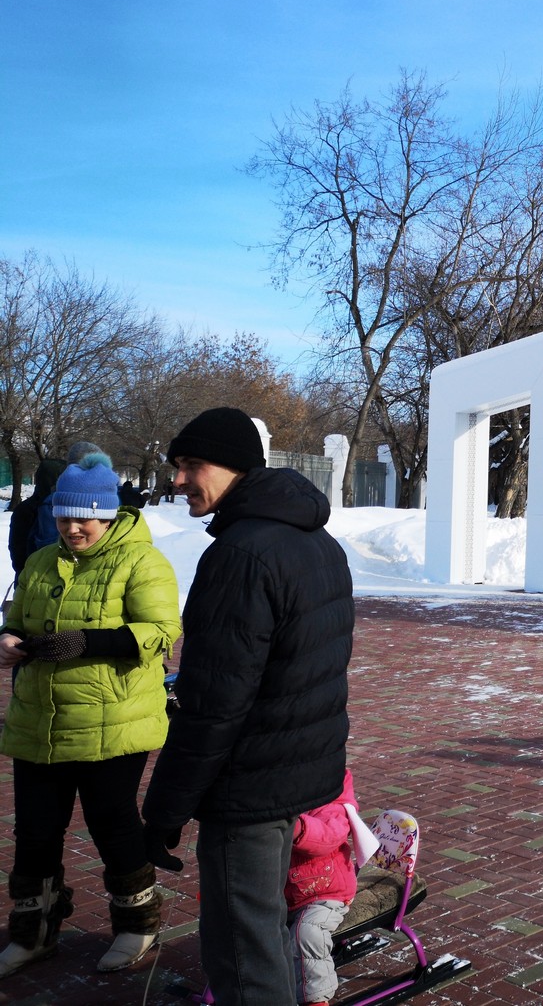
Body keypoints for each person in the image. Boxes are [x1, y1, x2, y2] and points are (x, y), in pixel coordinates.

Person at [141, 407, 354, 1005]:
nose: (178, 480)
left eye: (191, 465)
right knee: (265, 934)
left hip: (248, 785)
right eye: (176, 465)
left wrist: (165, 809)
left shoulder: (241, 554)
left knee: (244, 953)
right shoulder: (316, 541)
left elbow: (213, 703)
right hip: (296, 773)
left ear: (234, 466)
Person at [0, 452, 181, 976]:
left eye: (85, 518)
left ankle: (137, 924)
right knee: (35, 830)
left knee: (111, 822)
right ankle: (33, 932)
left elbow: (162, 631)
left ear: (108, 515)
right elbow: (16, 618)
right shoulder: (40, 561)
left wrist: (87, 642)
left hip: (113, 718)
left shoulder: (142, 562)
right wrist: (8, 638)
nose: (72, 528)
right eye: (64, 517)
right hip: (40, 717)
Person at [287, 770, 366, 1006]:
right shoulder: (282, 788)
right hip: (287, 892)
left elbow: (328, 835)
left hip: (326, 892)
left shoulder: (334, 798)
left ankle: (316, 999)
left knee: (307, 932)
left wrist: (297, 827)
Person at [6, 457, 65, 574]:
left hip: (28, 575)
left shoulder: (23, 508)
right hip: (46, 575)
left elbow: (16, 551)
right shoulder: (61, 509)